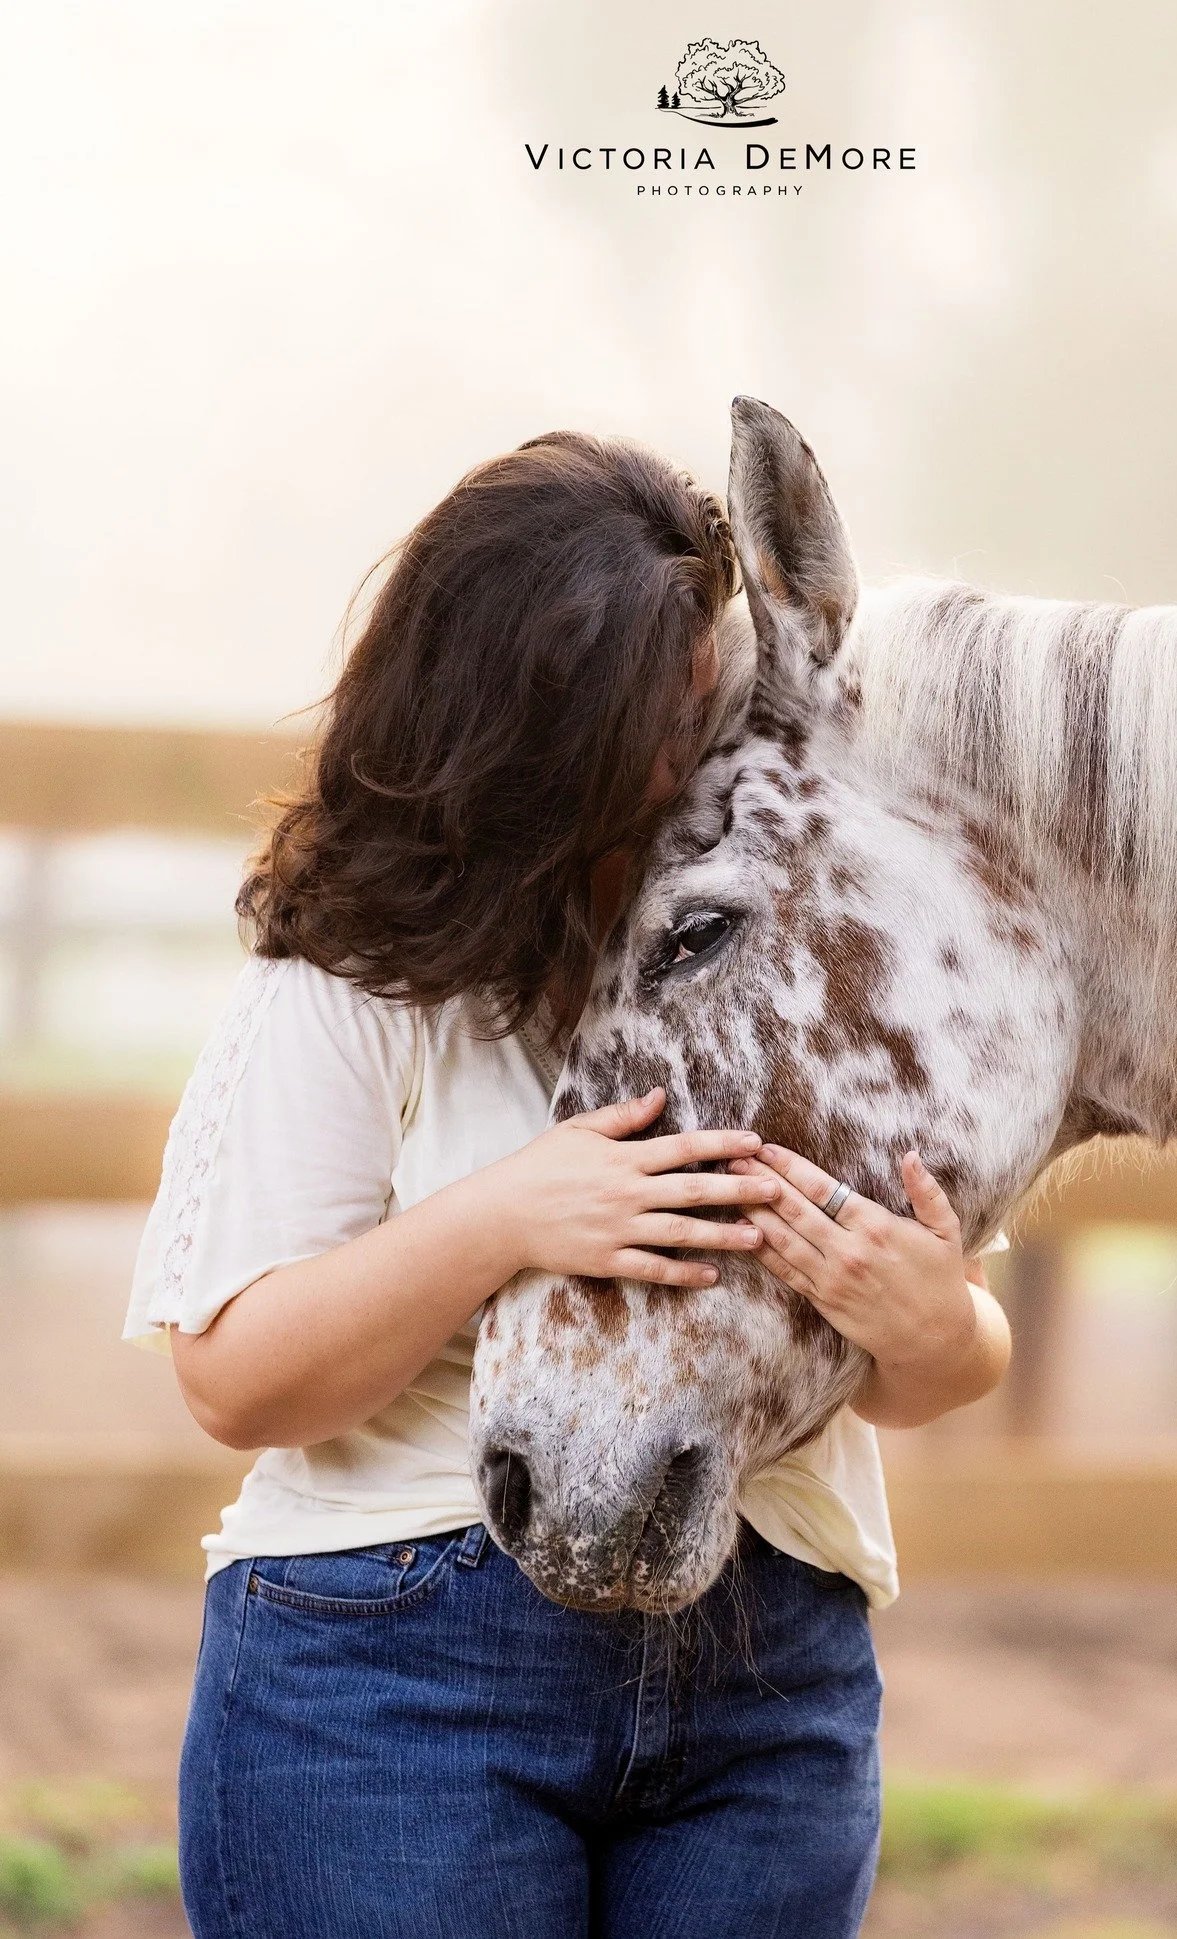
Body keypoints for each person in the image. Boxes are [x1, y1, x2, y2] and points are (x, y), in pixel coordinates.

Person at [123, 428, 1012, 1939]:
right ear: (529, 734)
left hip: (767, 1667)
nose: (698, 759)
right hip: (396, 1675)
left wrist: (934, 1325)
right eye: (656, 725)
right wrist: (503, 1218)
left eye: (702, 701)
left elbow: (934, 1362)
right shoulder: (358, 982)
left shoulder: (784, 949)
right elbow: (235, 1382)